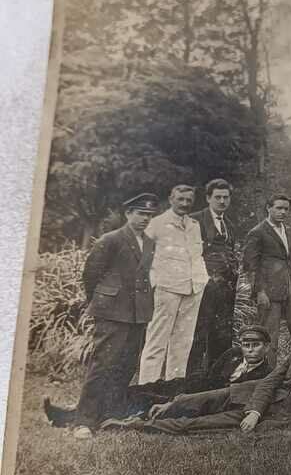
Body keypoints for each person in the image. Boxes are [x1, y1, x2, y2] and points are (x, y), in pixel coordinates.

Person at [43, 193, 159, 438]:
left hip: (138, 314)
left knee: (126, 365)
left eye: (149, 215)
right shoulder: (112, 239)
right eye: (140, 214)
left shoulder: (149, 243)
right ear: (128, 214)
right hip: (112, 313)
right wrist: (102, 304)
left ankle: (109, 413)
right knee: (103, 364)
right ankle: (83, 422)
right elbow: (91, 275)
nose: (145, 219)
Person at [103, 325, 291, 435]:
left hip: (274, 417)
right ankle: (147, 413)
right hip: (245, 394)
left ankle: (136, 426)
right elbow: (269, 383)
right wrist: (255, 411)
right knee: (190, 400)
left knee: (199, 425)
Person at [138, 184, 208, 388]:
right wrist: (154, 284)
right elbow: (143, 258)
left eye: (189, 200)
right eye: (181, 199)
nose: (185, 204)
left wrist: (203, 280)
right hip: (166, 288)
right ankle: (146, 389)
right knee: (156, 341)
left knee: (182, 342)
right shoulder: (157, 224)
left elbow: (197, 255)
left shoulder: (194, 224)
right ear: (171, 199)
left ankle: (171, 390)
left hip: (193, 288)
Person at [242, 192, 291, 365]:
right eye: (278, 208)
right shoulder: (257, 232)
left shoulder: (289, 231)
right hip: (269, 293)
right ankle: (267, 374)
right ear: (268, 208)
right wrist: (259, 292)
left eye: (286, 209)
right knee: (270, 336)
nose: (283, 212)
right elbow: (251, 266)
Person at [187, 178, 239, 381]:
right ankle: (192, 379)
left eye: (226, 197)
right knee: (199, 334)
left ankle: (216, 380)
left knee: (223, 335)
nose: (222, 201)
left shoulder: (230, 226)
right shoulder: (194, 221)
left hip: (226, 291)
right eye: (217, 197)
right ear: (208, 198)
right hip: (203, 289)